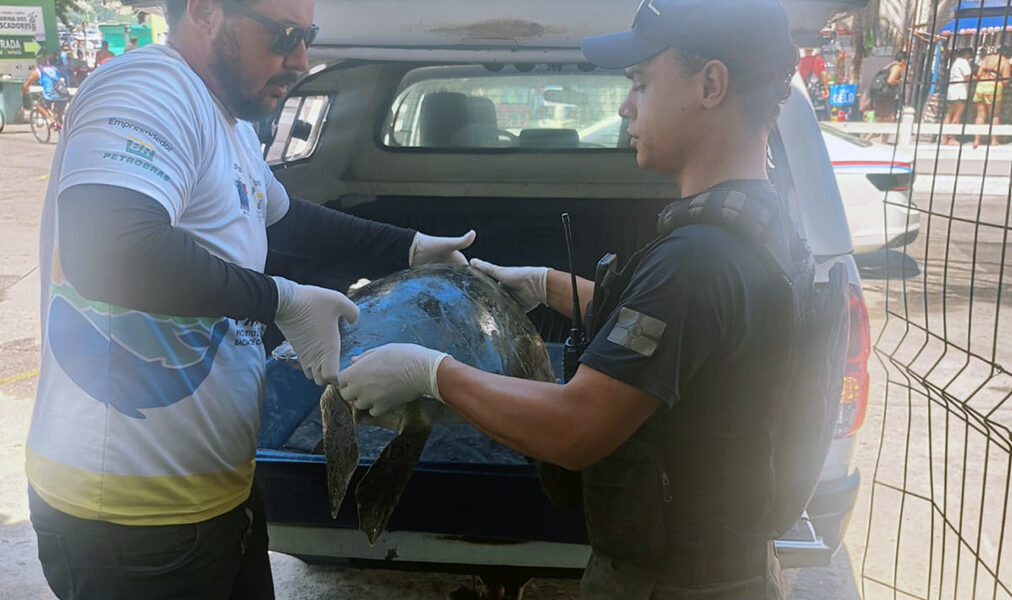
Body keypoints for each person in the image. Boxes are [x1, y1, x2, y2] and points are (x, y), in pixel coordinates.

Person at [340, 0, 814, 598]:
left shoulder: (698, 260)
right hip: (728, 561)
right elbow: (682, 337)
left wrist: (429, 371)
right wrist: (544, 285)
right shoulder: (763, 224)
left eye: (640, 82)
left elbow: (575, 429)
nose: (624, 105)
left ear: (711, 84)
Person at [26, 0, 475, 598]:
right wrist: (282, 300)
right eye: (285, 36)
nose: (301, 59)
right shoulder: (148, 88)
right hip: (129, 517)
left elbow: (285, 220)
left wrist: (414, 248)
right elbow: (109, 247)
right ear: (205, 10)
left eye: (308, 35)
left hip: (214, 494)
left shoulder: (228, 121)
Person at [973, 46, 1012, 148]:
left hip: (981, 85)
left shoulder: (987, 58)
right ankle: (994, 140)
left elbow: (979, 73)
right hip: (994, 86)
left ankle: (977, 140)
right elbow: (1006, 79)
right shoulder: (1005, 61)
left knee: (980, 115)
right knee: (995, 115)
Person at [22, 53, 69, 125]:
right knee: (59, 117)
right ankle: (63, 130)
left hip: (51, 95)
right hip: (63, 94)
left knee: (39, 105)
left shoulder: (38, 71)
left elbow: (26, 84)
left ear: (37, 62)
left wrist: (24, 93)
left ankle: (50, 119)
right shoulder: (54, 68)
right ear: (47, 61)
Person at [943, 47, 973, 145]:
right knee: (957, 115)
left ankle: (944, 138)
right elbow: (967, 76)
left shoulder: (956, 62)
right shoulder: (964, 62)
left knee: (949, 114)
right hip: (960, 90)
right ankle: (952, 138)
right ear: (966, 54)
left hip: (952, 89)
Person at [871, 50, 907, 124]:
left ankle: (872, 134)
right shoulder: (897, 68)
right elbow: (890, 80)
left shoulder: (891, 65)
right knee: (887, 118)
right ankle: (874, 134)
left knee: (881, 118)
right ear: (903, 61)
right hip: (886, 96)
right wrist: (898, 82)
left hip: (880, 95)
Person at [799, 48, 830, 120]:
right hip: (816, 94)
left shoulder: (801, 61)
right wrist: (826, 88)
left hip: (804, 92)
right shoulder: (818, 60)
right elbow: (823, 74)